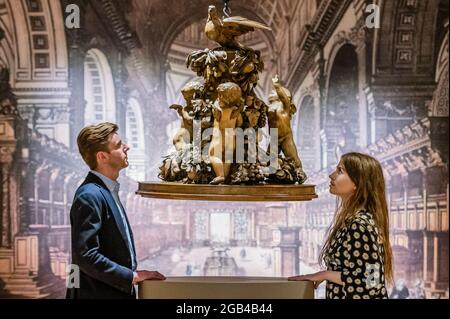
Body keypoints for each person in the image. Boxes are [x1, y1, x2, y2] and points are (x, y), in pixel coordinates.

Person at [67, 123, 165, 299]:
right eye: (119, 145)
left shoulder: (105, 191)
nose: (127, 147)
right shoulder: (89, 195)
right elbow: (86, 255)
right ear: (102, 156)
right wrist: (131, 276)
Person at [289, 152, 393, 299]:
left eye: (340, 171)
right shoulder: (352, 221)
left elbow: (372, 282)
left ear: (357, 182)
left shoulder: (359, 225)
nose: (332, 175)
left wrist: (325, 274)